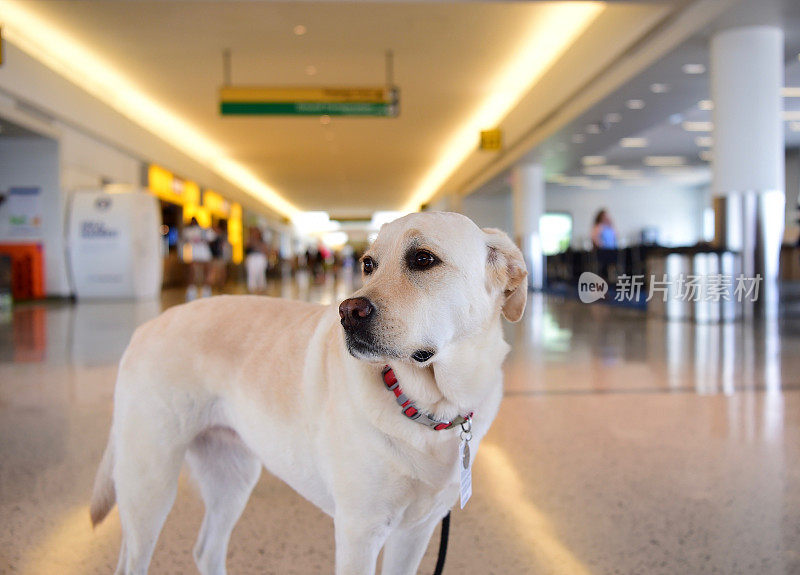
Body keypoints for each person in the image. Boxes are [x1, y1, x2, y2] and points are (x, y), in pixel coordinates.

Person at [183, 217, 216, 300]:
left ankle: (206, 290)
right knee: (192, 272)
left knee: (206, 272)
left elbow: (212, 238)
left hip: (204, 254)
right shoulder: (188, 231)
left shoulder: (204, 230)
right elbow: (184, 240)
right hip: (194, 255)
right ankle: (191, 290)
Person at [244, 228, 268, 292]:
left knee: (260, 273)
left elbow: (265, 250)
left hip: (260, 258)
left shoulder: (262, 242)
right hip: (252, 258)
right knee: (252, 273)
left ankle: (261, 287)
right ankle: (252, 287)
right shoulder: (249, 241)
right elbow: (246, 250)